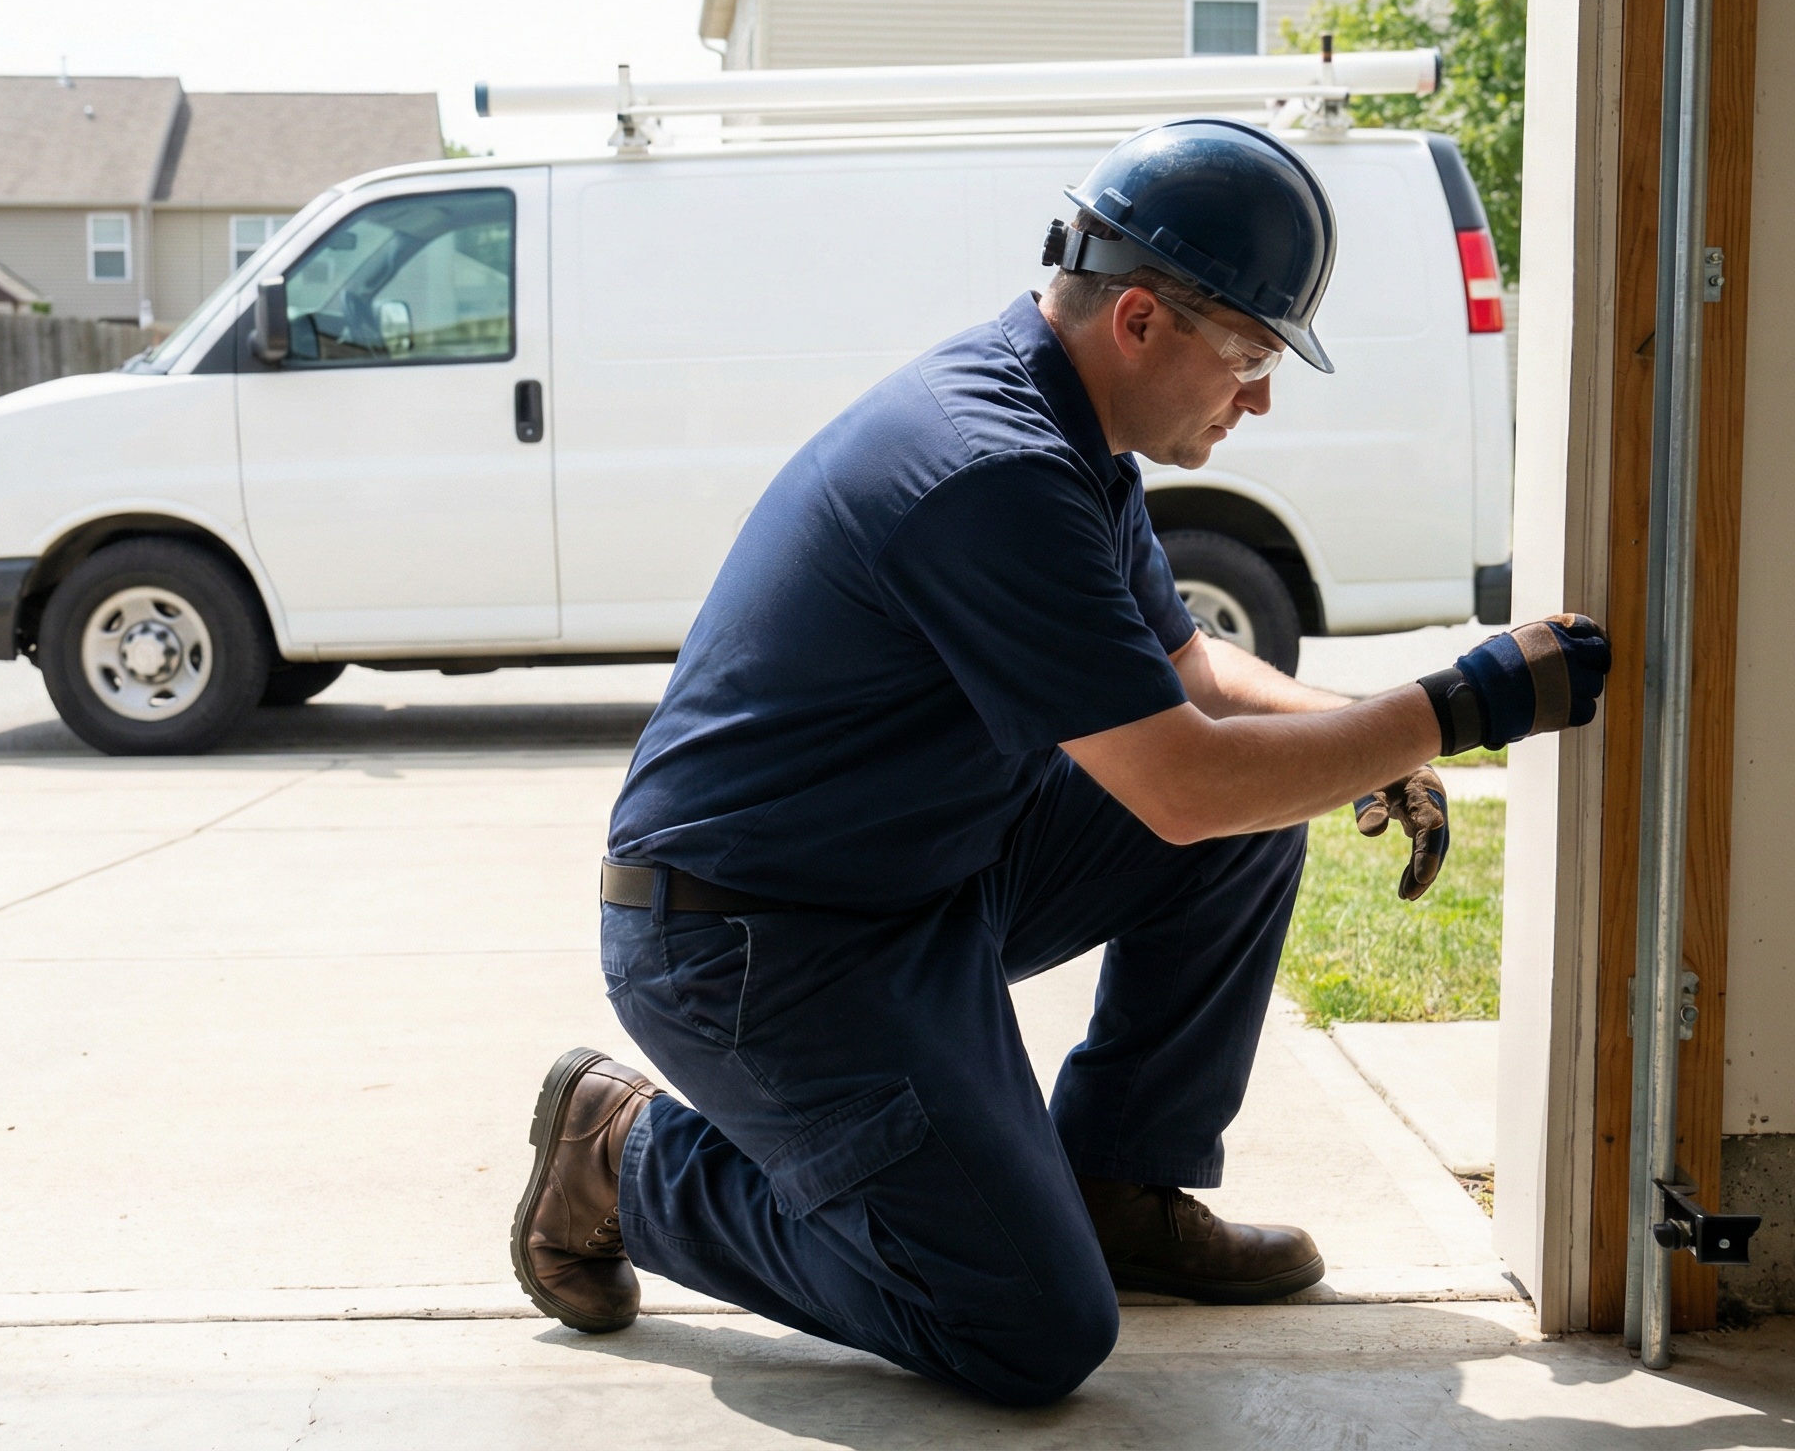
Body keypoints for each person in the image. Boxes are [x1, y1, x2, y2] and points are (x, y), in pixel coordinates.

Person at [508, 119, 1610, 1406]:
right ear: (1140, 320)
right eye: (1250, 355)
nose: (1256, 395)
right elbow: (1183, 786)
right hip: (756, 943)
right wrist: (1458, 706)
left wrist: (1352, 729)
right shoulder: (989, 467)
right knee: (1024, 1331)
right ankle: (626, 1159)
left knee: (1269, 800)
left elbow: (1189, 674)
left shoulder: (1067, 429)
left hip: (918, 875)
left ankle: (1114, 1187)